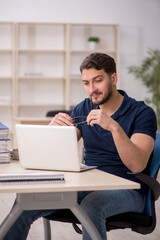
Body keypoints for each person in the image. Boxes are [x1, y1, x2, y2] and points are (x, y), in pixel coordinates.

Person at [4, 53, 157, 240]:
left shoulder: (142, 113)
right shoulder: (83, 109)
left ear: (114, 78)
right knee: (26, 200)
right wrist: (53, 131)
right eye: (86, 83)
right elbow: (55, 155)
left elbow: (137, 165)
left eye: (97, 80)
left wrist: (114, 127)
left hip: (129, 190)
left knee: (92, 205)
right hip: (87, 184)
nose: (92, 89)